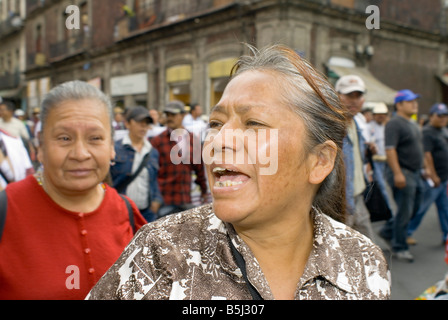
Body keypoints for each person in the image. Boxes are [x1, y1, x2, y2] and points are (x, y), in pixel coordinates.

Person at [87, 45, 390, 300]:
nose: (218, 141)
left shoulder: (363, 260)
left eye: (254, 124)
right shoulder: (161, 253)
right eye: (216, 124)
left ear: (320, 160)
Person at [0, 81, 147, 300]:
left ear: (111, 148)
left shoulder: (125, 210)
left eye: (95, 138)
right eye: (64, 138)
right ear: (40, 148)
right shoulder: (6, 209)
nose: (80, 154)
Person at [379, 89, 424, 262]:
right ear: (399, 104)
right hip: (403, 172)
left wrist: (425, 168)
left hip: (416, 173)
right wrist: (397, 173)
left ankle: (388, 231)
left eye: (415, 101)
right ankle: (399, 246)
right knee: (405, 210)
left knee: (414, 208)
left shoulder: (412, 122)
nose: (415, 104)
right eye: (410, 101)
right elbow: (390, 149)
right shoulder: (395, 123)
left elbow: (418, 147)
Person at [150, 100, 208, 218]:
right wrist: (154, 198)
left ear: (183, 115)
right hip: (164, 199)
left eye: (173, 115)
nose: (170, 118)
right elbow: (151, 173)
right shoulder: (158, 141)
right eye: (168, 115)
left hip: (185, 199)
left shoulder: (193, 139)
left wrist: (204, 191)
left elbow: (199, 169)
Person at [336, 75, 376, 240]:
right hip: (340, 202)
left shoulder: (357, 123)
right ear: (337, 95)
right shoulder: (332, 126)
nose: (354, 101)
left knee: (368, 249)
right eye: (348, 95)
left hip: (358, 196)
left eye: (357, 96)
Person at [110, 106, 163, 222]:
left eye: (147, 123)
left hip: (147, 213)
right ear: (127, 124)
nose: (144, 126)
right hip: (119, 211)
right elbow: (107, 179)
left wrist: (156, 199)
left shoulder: (152, 151)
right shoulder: (115, 149)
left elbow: (154, 179)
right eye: (140, 122)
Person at [407, 103, 448, 245]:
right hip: (434, 178)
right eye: (440, 115)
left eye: (445, 116)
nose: (443, 118)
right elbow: (427, 154)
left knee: (445, 209)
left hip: (444, 178)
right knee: (422, 208)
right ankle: (406, 232)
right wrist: (433, 174)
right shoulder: (427, 132)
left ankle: (446, 236)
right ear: (432, 116)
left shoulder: (443, 131)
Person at [366, 102, 394, 212]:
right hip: (376, 161)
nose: (381, 116)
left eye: (383, 114)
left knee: (388, 185)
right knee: (381, 186)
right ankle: (389, 210)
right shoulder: (369, 127)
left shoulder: (387, 126)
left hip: (387, 161)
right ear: (374, 115)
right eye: (378, 114)